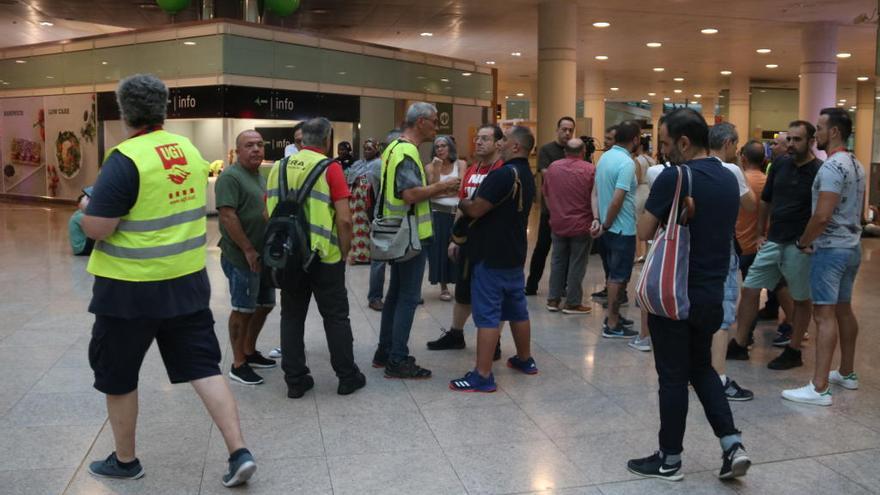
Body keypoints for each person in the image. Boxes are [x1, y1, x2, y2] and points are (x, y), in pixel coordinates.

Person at [82, 74, 255, 487]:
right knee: (203, 367)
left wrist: (88, 204)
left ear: (125, 112)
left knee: (119, 375)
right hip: (186, 283)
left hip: (128, 293)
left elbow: (98, 228)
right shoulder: (187, 150)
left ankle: (125, 461)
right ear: (164, 110)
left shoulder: (125, 158)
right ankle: (239, 451)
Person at [628, 108, 749, 482]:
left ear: (683, 142)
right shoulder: (729, 178)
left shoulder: (674, 177)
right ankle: (732, 444)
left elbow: (644, 230)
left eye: (665, 143)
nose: (662, 151)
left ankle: (669, 459)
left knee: (672, 377)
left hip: (675, 293)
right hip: (712, 292)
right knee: (702, 368)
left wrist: (660, 203)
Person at [266, 117, 366, 399]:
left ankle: (295, 381)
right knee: (335, 317)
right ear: (327, 140)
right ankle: (347, 377)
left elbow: (268, 210)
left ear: (303, 139)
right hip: (324, 256)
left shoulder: (279, 167)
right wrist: (345, 251)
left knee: (292, 317)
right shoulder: (330, 168)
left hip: (289, 255)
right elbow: (345, 219)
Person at [783, 108, 865, 406]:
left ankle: (818, 388)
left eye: (818, 128)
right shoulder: (857, 164)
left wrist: (804, 241)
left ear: (834, 132)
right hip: (852, 246)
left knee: (824, 314)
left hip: (830, 250)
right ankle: (847, 372)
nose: (815, 133)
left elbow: (822, 215)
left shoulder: (831, 168)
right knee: (844, 309)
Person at [371, 102, 460, 379]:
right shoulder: (407, 151)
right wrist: (443, 186)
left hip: (396, 232)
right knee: (407, 298)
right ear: (420, 122)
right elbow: (409, 195)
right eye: (434, 121)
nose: (437, 126)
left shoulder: (394, 148)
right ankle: (397, 359)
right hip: (408, 236)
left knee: (395, 295)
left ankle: (384, 352)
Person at [449, 125, 538, 392]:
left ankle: (482, 375)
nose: (500, 143)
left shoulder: (502, 175)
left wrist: (462, 202)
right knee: (517, 309)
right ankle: (525, 360)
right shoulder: (527, 175)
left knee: (488, 315)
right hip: (514, 253)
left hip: (490, 254)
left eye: (505, 140)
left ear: (516, 147)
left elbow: (476, 208)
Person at [727, 121, 821, 370]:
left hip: (799, 244)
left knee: (800, 298)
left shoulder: (818, 171)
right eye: (788, 139)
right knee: (750, 288)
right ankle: (740, 343)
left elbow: (821, 212)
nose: (791, 144)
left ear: (811, 141)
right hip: (773, 240)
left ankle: (794, 349)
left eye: (797, 139)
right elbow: (766, 201)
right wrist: (759, 233)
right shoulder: (779, 164)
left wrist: (808, 241)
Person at [426, 124, 505, 355]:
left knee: (492, 294)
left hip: (493, 243)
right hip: (469, 242)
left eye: (485, 139)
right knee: (463, 291)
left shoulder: (503, 170)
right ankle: (456, 334)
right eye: (477, 138)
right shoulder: (472, 169)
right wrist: (454, 237)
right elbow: (461, 204)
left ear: (499, 143)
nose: (478, 142)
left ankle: (495, 341)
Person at [216, 130, 277, 385]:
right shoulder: (230, 177)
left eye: (260, 145)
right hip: (242, 257)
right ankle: (238, 362)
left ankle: (250, 351)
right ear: (237, 151)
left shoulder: (258, 175)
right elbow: (228, 216)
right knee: (242, 309)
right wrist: (248, 249)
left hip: (263, 256)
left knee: (264, 304)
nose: (256, 150)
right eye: (249, 145)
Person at [707, 123, 756, 401]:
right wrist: (738, 167)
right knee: (723, 313)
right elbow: (750, 204)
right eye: (735, 145)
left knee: (701, 309)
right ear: (728, 143)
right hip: (722, 247)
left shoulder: (694, 167)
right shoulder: (731, 170)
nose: (737, 150)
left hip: (698, 248)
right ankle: (718, 378)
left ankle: (699, 372)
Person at [593, 120, 640, 339]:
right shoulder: (627, 162)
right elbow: (617, 200)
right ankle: (612, 324)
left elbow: (594, 192)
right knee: (618, 277)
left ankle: (615, 316)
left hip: (607, 228)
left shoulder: (605, 157)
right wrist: (607, 223)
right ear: (636, 140)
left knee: (615, 275)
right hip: (621, 229)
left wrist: (598, 220)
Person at [543, 138, 596, 314]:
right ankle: (572, 302)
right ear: (583, 152)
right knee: (577, 263)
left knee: (557, 261)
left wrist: (554, 212)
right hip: (581, 224)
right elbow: (594, 197)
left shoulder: (553, 167)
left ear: (565, 152)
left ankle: (553, 299)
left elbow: (546, 194)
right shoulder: (590, 170)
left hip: (558, 222)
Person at [525, 116, 575, 295]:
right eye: (564, 129)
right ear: (557, 130)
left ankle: (562, 286)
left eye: (570, 130)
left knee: (567, 250)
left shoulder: (575, 151)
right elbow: (548, 176)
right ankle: (531, 285)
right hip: (550, 209)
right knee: (542, 247)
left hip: (570, 210)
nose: (567, 133)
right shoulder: (547, 150)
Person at [427, 135, 466, 301]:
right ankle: (443, 287)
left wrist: (441, 190)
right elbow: (432, 191)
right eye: (437, 147)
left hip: (458, 212)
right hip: (438, 214)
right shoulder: (430, 167)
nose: (440, 149)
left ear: (450, 147)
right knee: (441, 250)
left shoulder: (461, 164)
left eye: (444, 146)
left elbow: (461, 188)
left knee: (460, 249)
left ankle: (461, 285)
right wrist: (437, 170)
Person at [591, 124, 620, 303]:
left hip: (615, 224)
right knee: (606, 259)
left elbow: (618, 200)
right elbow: (595, 191)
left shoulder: (624, 163)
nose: (605, 143)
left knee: (615, 264)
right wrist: (597, 218)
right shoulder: (603, 160)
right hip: (603, 220)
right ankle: (608, 289)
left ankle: (616, 297)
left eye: (609, 139)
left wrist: (606, 223)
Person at [346, 138, 381, 265]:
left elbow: (371, 181)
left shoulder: (378, 163)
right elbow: (350, 178)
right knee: (355, 227)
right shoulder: (359, 163)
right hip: (355, 200)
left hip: (367, 200)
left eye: (370, 149)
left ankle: (365, 256)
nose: (366, 151)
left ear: (376, 150)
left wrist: (359, 180)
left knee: (365, 227)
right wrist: (357, 179)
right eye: (365, 149)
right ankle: (356, 254)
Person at [633, 136, 656, 261]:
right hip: (650, 190)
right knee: (648, 222)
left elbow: (635, 180)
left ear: (640, 146)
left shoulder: (637, 160)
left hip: (640, 191)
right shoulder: (652, 160)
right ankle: (647, 253)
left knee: (637, 223)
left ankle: (638, 254)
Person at [69, 188, 95, 256]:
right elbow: (95, 227)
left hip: (79, 247)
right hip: (80, 248)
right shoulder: (80, 216)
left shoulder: (78, 213)